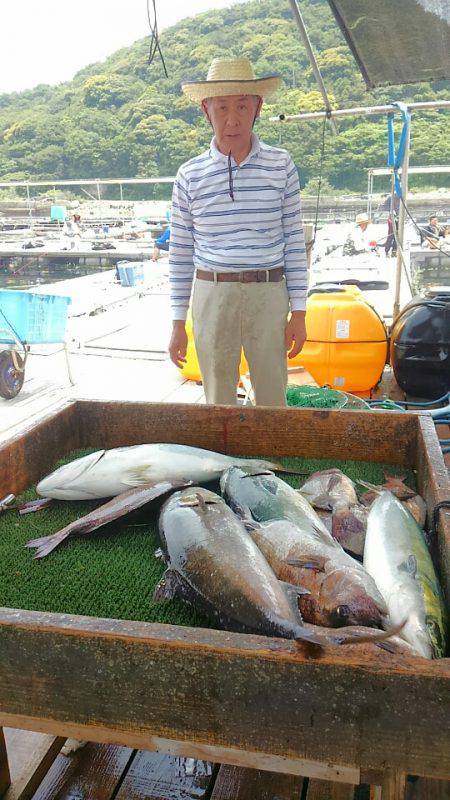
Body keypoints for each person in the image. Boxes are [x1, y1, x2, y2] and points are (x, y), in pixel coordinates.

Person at [168, 57, 308, 406]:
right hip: (211, 293)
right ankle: (222, 460)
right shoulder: (189, 175)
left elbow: (294, 240)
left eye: (243, 106)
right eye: (223, 107)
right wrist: (176, 324)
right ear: (206, 110)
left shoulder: (281, 164)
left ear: (257, 107)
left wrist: (300, 313)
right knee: (217, 399)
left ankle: (271, 459)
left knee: (273, 396)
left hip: (269, 291)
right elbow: (181, 254)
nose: (233, 119)